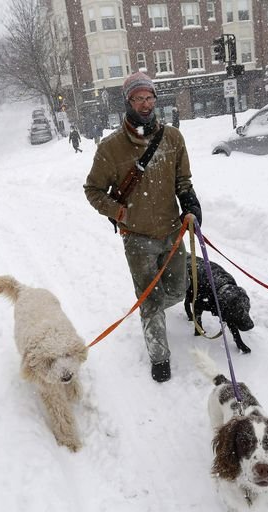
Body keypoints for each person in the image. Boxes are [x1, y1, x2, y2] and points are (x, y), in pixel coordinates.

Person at [83, 72, 202, 383]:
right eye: (138, 98)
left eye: (149, 98)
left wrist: (190, 204)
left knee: (177, 289)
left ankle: (151, 310)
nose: (145, 104)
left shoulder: (173, 138)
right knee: (149, 300)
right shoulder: (111, 148)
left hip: (172, 232)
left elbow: (182, 180)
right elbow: (92, 190)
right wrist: (118, 212)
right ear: (128, 102)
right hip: (136, 238)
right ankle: (159, 355)